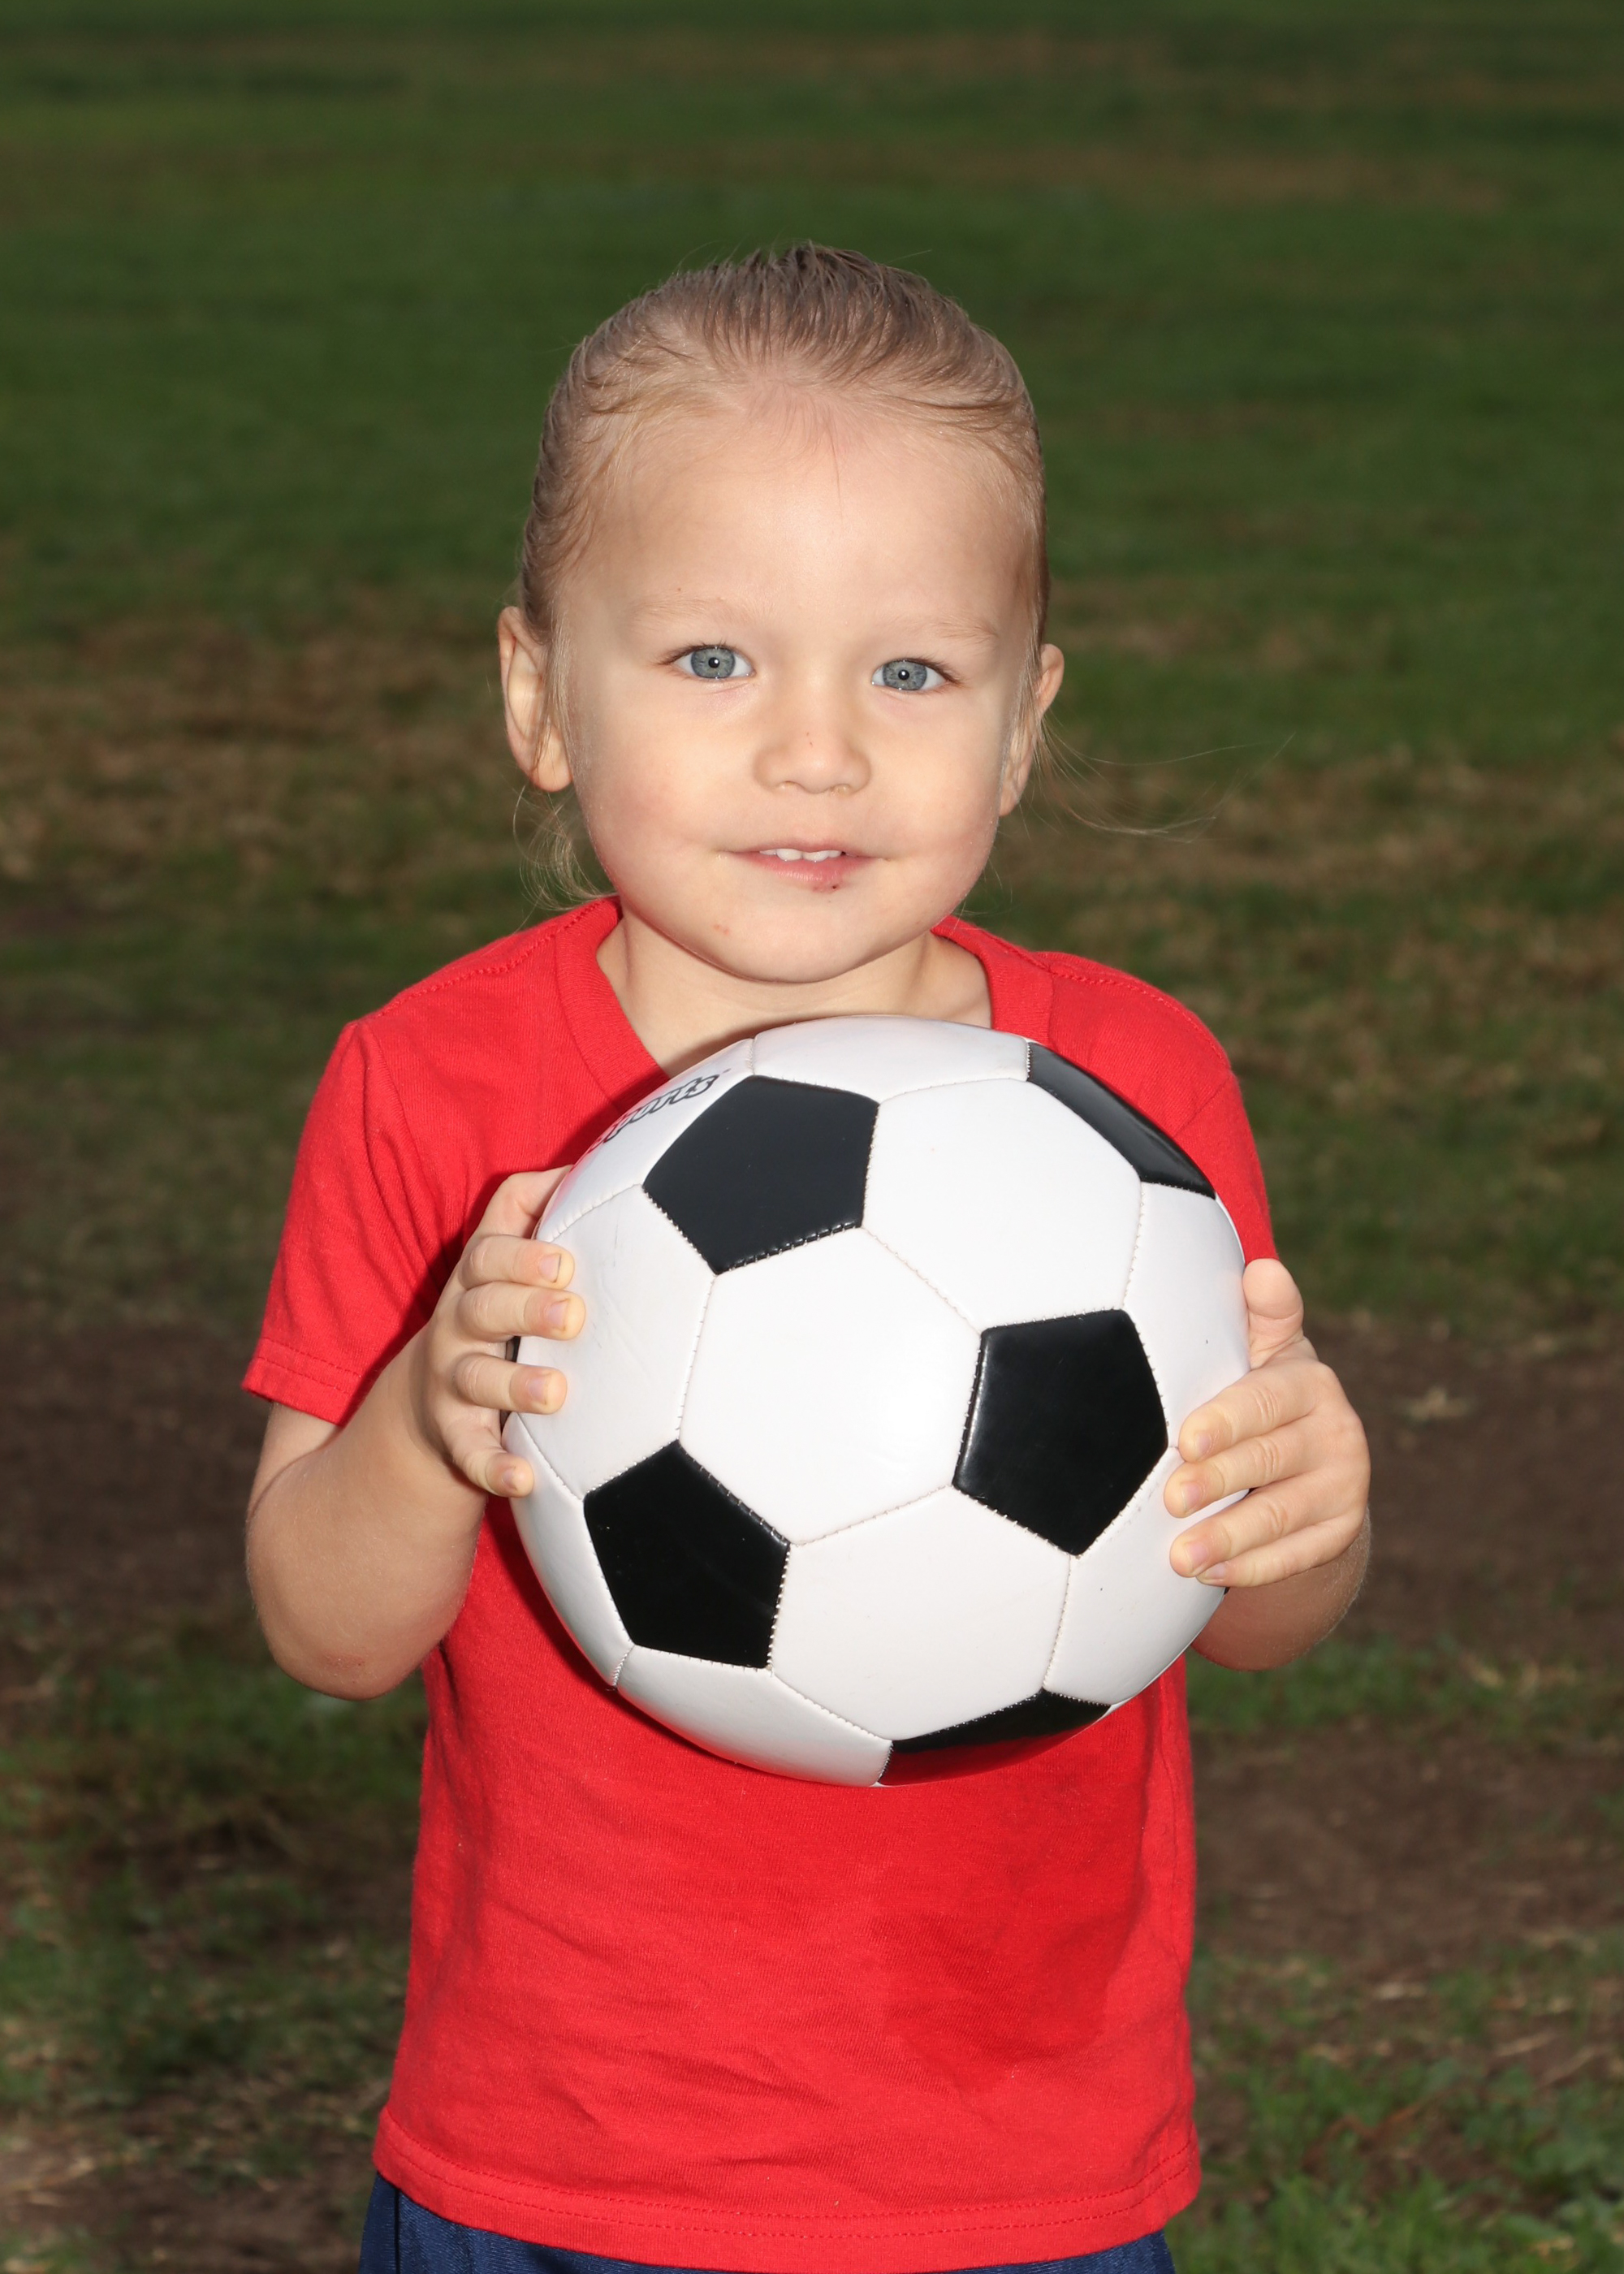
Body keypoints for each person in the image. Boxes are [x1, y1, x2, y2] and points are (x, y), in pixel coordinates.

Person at [244, 246, 1371, 2274]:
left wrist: (1307, 1504)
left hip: (1017, 2157)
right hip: (565, 2153)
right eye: (713, 659)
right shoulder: (433, 1085)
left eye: (910, 673)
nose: (818, 751)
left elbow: (1254, 1613)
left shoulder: (1130, 1094)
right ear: (538, 697)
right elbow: (326, 1631)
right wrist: (424, 1420)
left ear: (1021, 724)